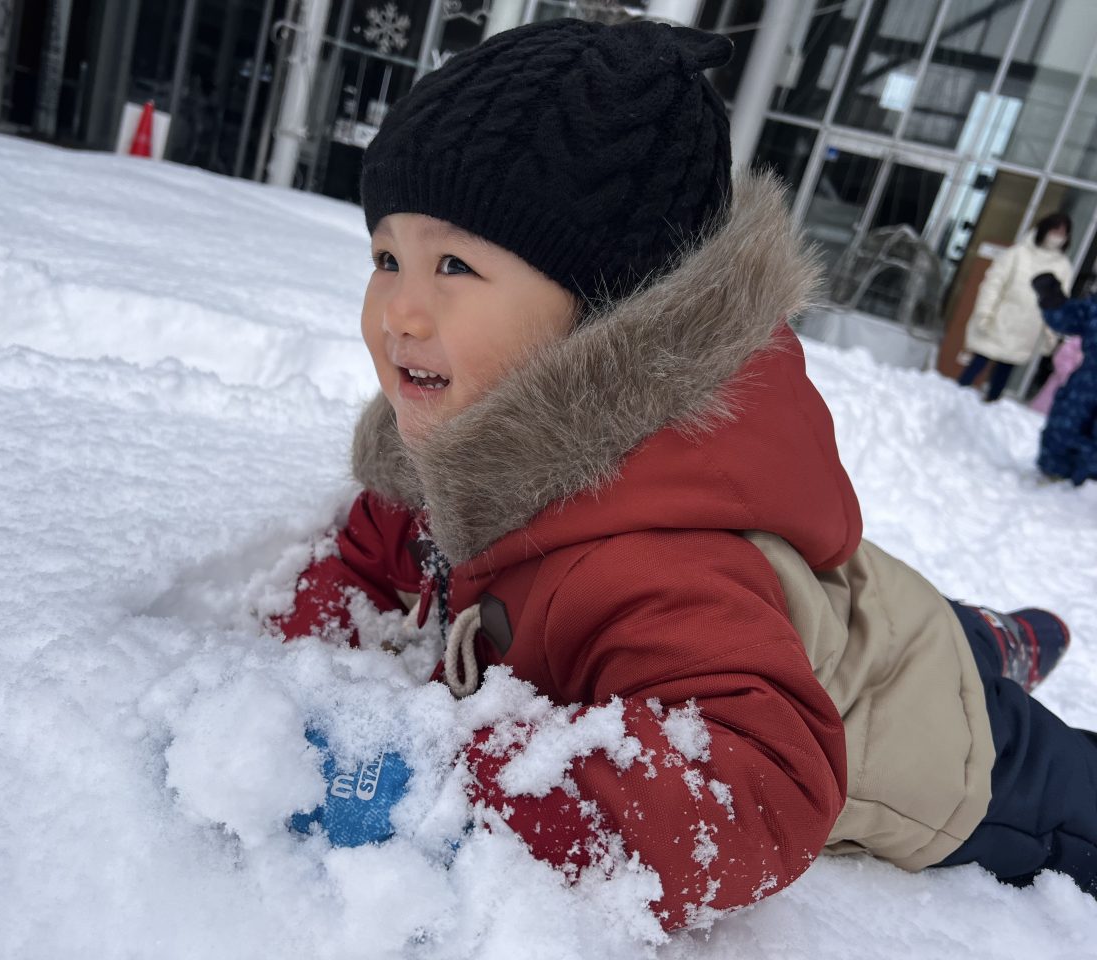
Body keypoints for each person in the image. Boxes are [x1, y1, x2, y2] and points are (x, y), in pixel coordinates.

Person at [274, 19, 1088, 931]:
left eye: (454, 264)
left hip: (915, 733)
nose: (400, 310)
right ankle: (992, 637)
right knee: (898, 625)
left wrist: (468, 788)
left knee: (1049, 777)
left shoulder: (652, 567)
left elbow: (758, 789)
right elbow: (362, 559)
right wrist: (298, 679)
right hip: (821, 615)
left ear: (605, 308)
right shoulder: (448, 455)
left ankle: (988, 652)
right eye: (387, 258)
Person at [959, 212, 1074, 401]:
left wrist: (1051, 333)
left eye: (1063, 233)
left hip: (1027, 328)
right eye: (1055, 231)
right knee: (979, 360)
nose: (1058, 237)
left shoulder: (1063, 267)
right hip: (1000, 319)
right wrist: (984, 312)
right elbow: (993, 284)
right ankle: (954, 398)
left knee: (1004, 371)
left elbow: (1058, 302)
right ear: (1045, 229)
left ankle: (991, 407)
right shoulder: (1018, 253)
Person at [1032, 273, 1097, 485]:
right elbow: (1069, 318)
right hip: (1087, 381)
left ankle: (1088, 483)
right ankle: (1054, 473)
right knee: (1065, 424)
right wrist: (1053, 299)